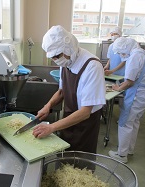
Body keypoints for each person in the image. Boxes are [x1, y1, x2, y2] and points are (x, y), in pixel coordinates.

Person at [32, 25, 106, 154]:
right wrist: (48, 106)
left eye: (57, 56)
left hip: (85, 125)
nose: (56, 60)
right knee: (65, 158)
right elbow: (61, 91)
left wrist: (51, 127)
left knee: (81, 166)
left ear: (68, 48)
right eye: (53, 58)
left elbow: (85, 112)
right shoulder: (66, 61)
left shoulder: (92, 66)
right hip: (68, 120)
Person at [108, 37, 145, 163]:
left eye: (121, 53)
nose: (121, 55)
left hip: (136, 95)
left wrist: (118, 88)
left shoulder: (135, 56)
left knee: (125, 123)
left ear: (125, 48)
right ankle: (129, 149)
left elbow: (129, 81)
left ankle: (122, 155)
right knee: (134, 122)